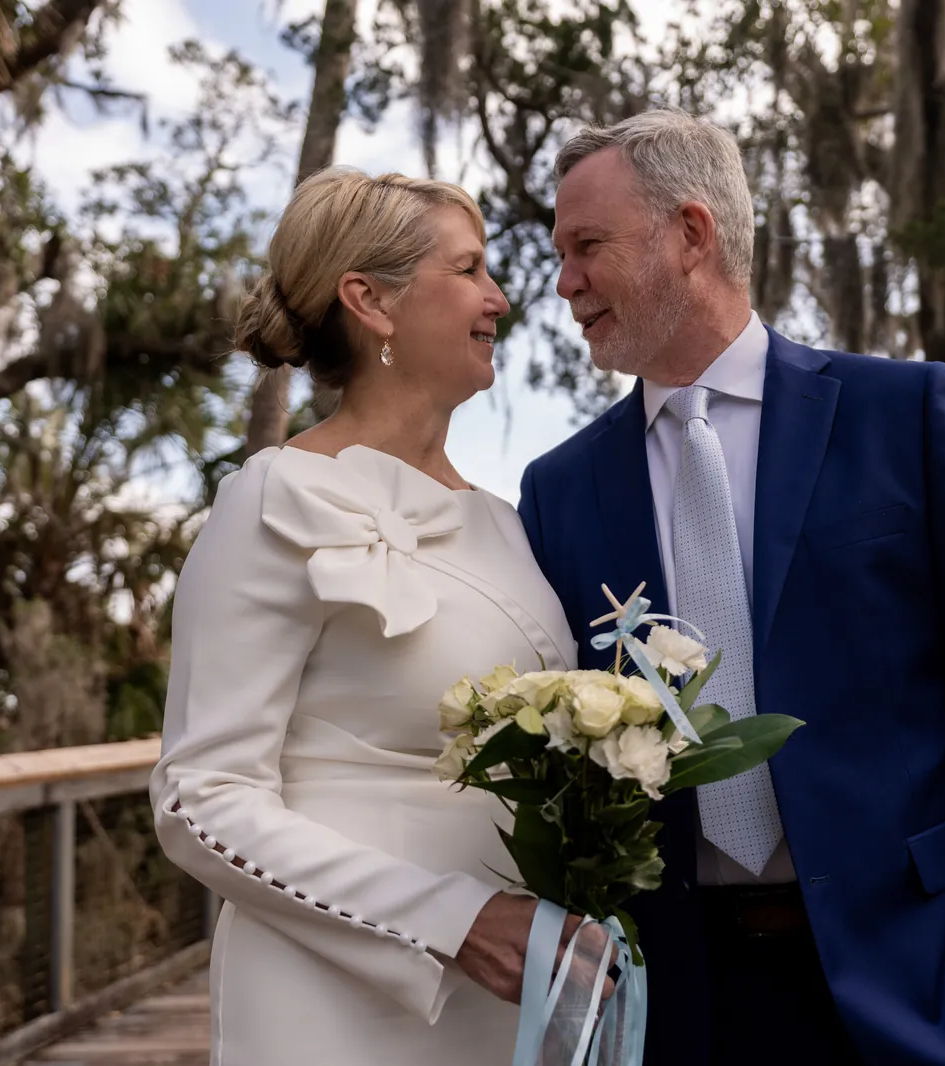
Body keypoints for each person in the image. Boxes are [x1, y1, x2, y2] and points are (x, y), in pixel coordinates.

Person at [517, 109, 945, 1065]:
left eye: (586, 247)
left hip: (913, 980)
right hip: (674, 1003)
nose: (563, 284)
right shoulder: (558, 489)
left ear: (690, 235)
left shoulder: (906, 413)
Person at [149, 168, 603, 1064]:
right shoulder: (274, 499)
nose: (500, 299)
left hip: (509, 999)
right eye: (469, 270)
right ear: (371, 301)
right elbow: (200, 801)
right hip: (334, 1001)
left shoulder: (504, 523)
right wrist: (450, 919)